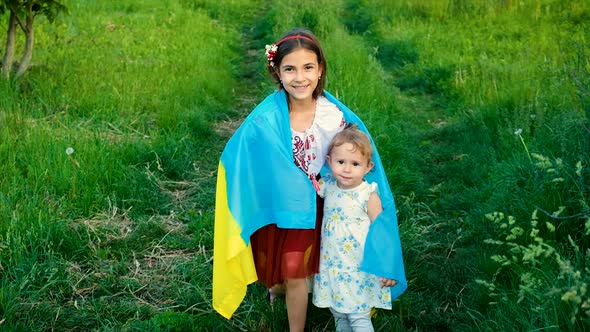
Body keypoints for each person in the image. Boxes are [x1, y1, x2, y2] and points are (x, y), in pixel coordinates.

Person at [212, 28, 407, 332]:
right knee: (287, 272)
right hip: (286, 207)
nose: (299, 77)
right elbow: (243, 153)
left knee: (321, 265)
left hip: (330, 202)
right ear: (277, 71)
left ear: (320, 71)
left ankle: (347, 306)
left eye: (308, 68)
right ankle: (287, 308)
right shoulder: (267, 118)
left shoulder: (334, 116)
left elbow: (352, 153)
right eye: (289, 68)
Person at [312, 124, 397, 332]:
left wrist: (388, 266)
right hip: (332, 264)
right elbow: (306, 182)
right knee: (339, 314)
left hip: (358, 267)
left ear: (368, 167)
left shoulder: (368, 195)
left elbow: (382, 233)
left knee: (358, 316)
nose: (347, 169)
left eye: (355, 164)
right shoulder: (328, 186)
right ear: (329, 161)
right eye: (341, 162)